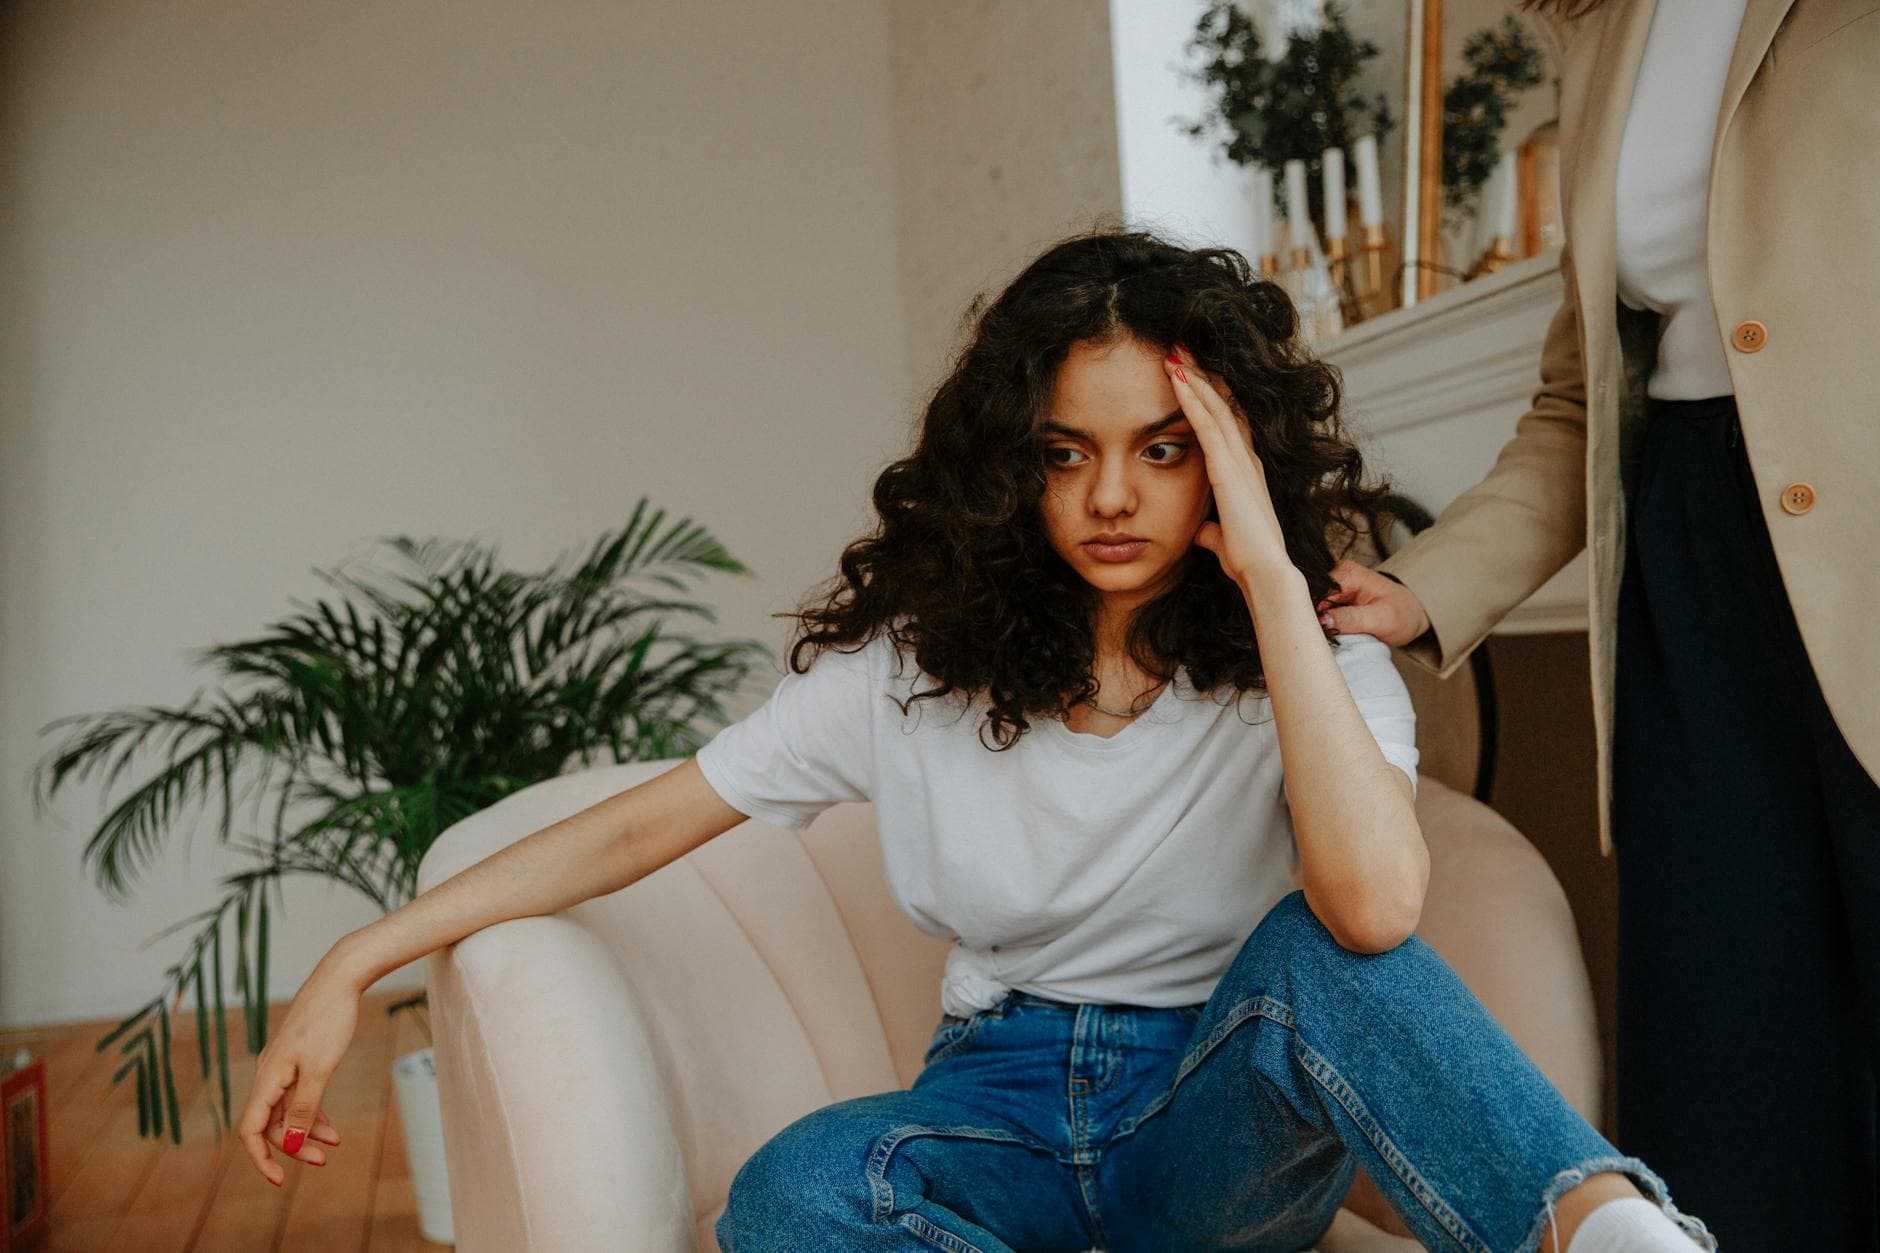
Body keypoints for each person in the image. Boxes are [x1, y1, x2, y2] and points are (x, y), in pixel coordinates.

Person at [235, 226, 1717, 1251]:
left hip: (1216, 1126)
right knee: (793, 1193)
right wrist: (355, 960)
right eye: (1068, 455)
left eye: (1164, 451)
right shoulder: (917, 675)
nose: (1115, 498)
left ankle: (1604, 1224)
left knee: (1328, 956)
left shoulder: (1312, 658)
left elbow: (1376, 910)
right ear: (1014, 467)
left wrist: (1271, 578)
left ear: (1231, 463)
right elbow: (643, 822)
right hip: (994, 1107)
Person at [1315, 0, 1880, 1247]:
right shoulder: (1605, 32)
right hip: (1687, 553)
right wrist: (1421, 584)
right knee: (1732, 1048)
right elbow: (1582, 395)